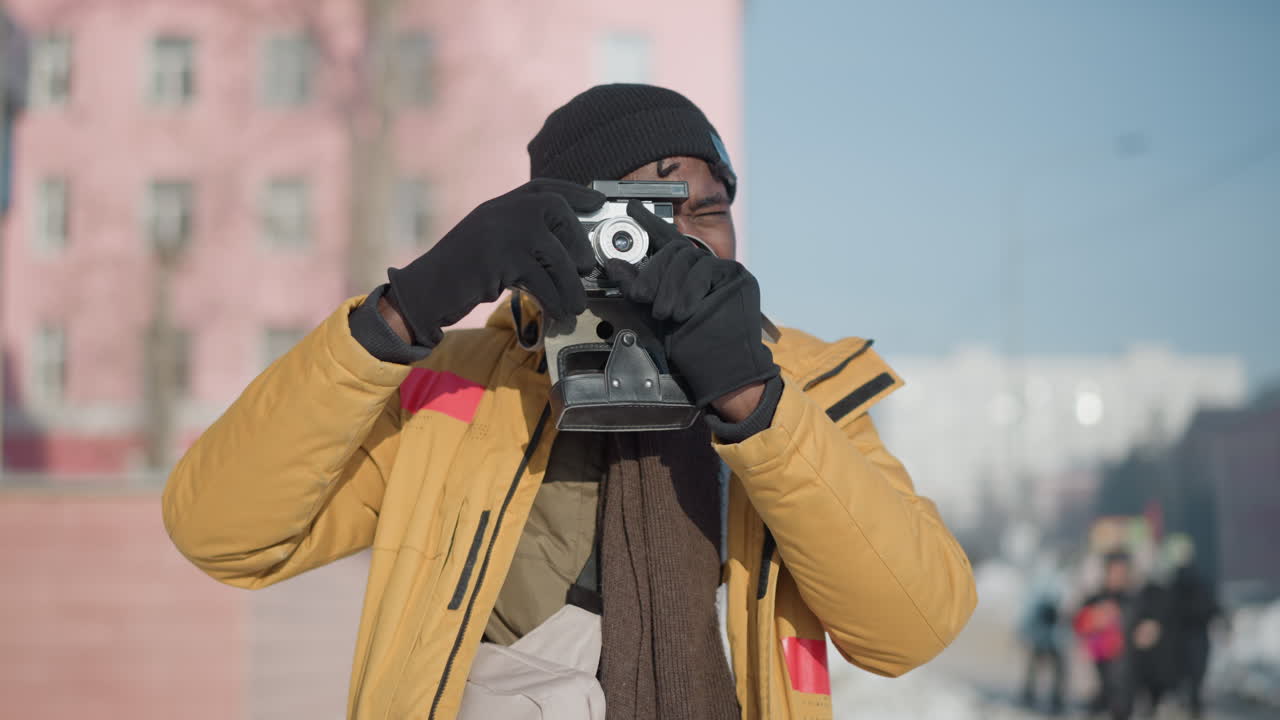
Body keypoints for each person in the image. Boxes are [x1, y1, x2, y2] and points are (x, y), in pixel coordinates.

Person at [162, 84, 977, 720]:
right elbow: (222, 533)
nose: (684, 242)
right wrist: (401, 315)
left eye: (711, 212)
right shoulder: (462, 390)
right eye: (643, 217)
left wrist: (752, 401)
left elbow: (915, 625)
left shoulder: (801, 390)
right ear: (566, 227)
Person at [1074, 550, 1136, 719]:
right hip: (1102, 667)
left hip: (1129, 670)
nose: (1117, 576)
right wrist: (1095, 617)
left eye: (1121, 572)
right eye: (1114, 571)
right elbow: (1078, 623)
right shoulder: (1096, 598)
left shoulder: (1135, 598)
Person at [1165, 536, 1220, 719]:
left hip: (1184, 638)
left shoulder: (1174, 583)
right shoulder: (1199, 581)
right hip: (1195, 637)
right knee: (1194, 682)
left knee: (1185, 683)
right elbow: (1212, 607)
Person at [1019, 563, 1067, 715]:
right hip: (1042, 637)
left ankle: (1054, 700)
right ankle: (1032, 697)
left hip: (1052, 638)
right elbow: (1028, 613)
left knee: (1054, 670)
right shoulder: (1041, 590)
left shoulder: (1052, 587)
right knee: (1037, 669)